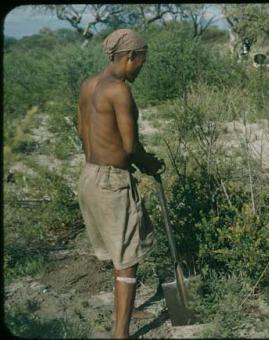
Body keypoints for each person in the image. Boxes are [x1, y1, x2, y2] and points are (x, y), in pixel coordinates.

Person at [77, 28, 164, 339]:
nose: (142, 66)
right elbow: (129, 147)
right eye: (141, 60)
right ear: (130, 57)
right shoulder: (119, 90)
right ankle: (121, 333)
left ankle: (125, 312)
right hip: (111, 181)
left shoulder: (89, 85)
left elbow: (85, 132)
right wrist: (150, 163)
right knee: (127, 260)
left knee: (119, 253)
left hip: (88, 175)